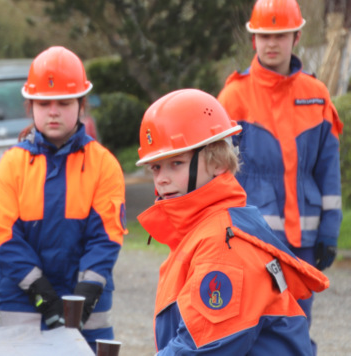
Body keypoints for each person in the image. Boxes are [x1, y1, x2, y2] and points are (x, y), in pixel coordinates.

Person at [136, 88, 330, 355]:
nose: (162, 179)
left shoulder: (225, 242)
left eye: (176, 163)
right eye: (156, 167)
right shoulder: (204, 228)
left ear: (218, 162)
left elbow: (203, 347)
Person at [217, 0, 343, 352]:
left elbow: (327, 170)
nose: (272, 43)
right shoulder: (234, 96)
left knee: (296, 327)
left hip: (302, 241)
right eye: (264, 35)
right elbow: (219, 176)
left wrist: (331, 228)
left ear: (297, 36)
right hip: (251, 238)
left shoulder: (316, 96)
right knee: (247, 327)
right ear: (253, 39)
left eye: (280, 35)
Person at [0, 46, 127, 350]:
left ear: (81, 104)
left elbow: (107, 236)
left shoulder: (104, 164)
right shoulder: (11, 164)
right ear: (31, 105)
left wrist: (86, 292)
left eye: (64, 102)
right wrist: (40, 292)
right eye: (44, 102)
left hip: (86, 301)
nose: (53, 111)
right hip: (21, 300)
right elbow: (3, 236)